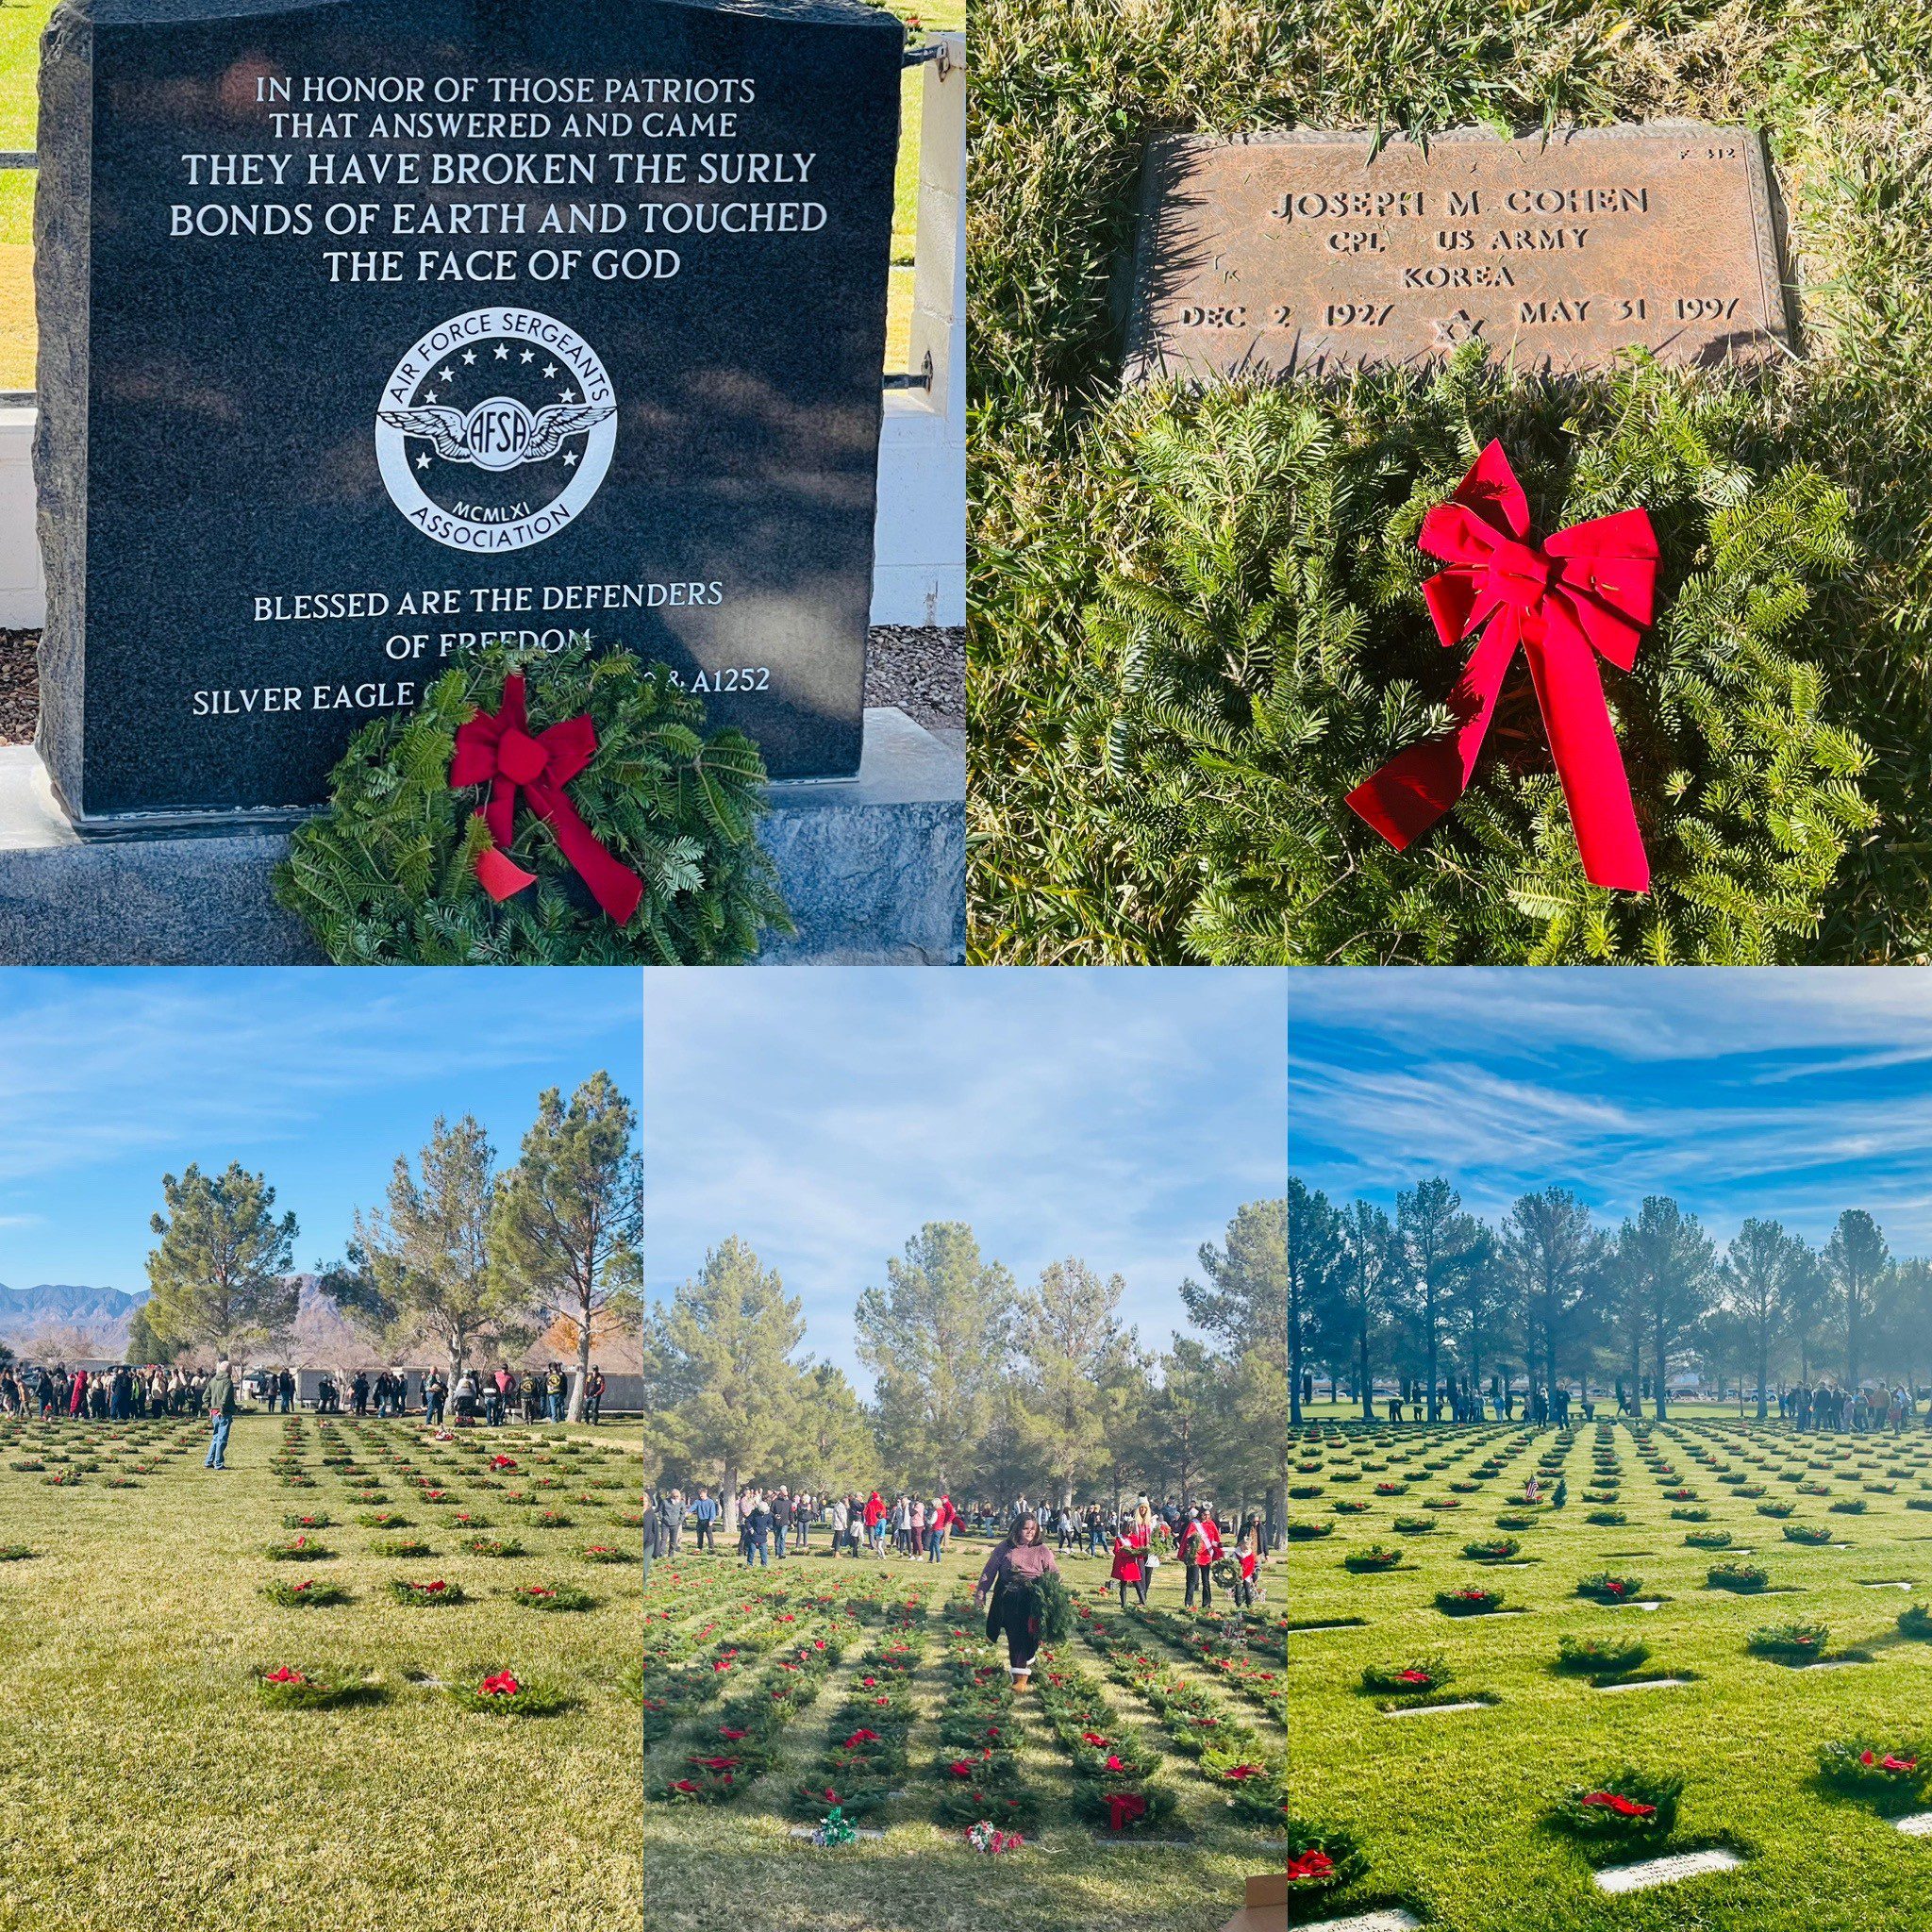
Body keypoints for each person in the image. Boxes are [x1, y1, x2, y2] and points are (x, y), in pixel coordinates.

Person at [974, 1512, 1061, 1692]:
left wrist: (1055, 1597)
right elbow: (989, 1571)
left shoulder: (1043, 1550)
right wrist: (981, 1593)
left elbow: (1054, 1575)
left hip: (1033, 1599)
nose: (1029, 1532)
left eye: (1032, 1529)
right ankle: (1019, 1679)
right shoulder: (1005, 1547)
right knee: (1016, 1635)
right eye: (1025, 1528)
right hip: (1009, 1598)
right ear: (1017, 1529)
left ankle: (1027, 1660)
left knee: (1031, 1636)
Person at [205, 1357, 237, 1470]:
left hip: (214, 1413)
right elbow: (225, 1399)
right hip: (223, 1413)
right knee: (222, 1439)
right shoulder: (227, 1381)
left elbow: (205, 1397)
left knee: (215, 1438)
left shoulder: (213, 1380)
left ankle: (208, 1462)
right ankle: (218, 1463)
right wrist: (221, 1411)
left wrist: (210, 1410)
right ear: (229, 1370)